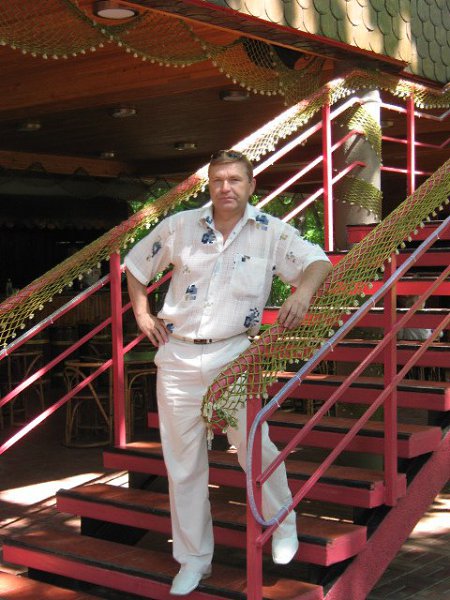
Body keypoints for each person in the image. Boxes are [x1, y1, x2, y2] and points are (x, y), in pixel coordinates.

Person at [125, 150, 332, 595]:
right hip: (177, 356)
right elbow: (137, 265)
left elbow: (317, 262)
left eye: (235, 179)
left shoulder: (270, 231)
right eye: (218, 179)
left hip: (234, 355)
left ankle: (282, 522)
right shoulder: (180, 226)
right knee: (183, 466)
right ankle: (193, 560)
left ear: (251, 185)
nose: (226, 187)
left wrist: (302, 293)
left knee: (254, 447)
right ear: (209, 185)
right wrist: (141, 313)